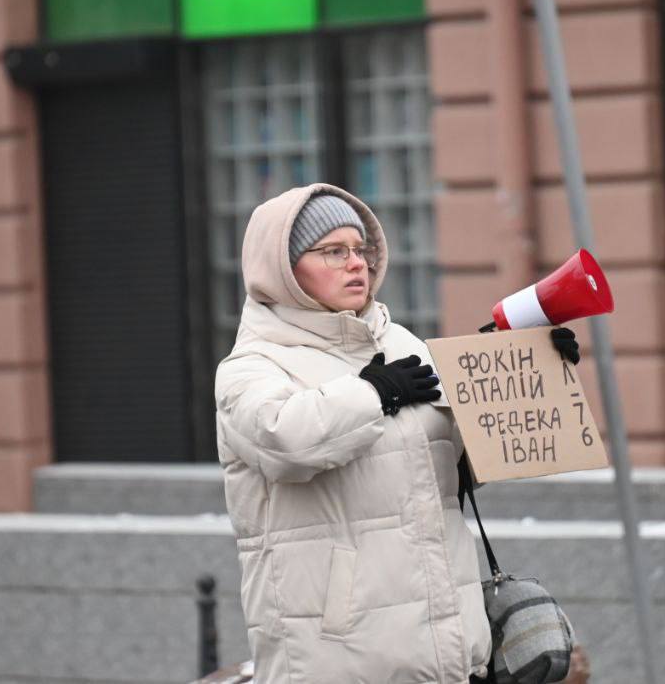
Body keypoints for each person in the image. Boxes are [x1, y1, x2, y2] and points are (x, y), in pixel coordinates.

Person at [214, 183, 580, 683]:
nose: (356, 263)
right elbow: (286, 442)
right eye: (333, 251)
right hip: (337, 659)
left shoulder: (400, 341)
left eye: (361, 249)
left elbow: (455, 468)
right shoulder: (251, 367)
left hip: (444, 650)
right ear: (283, 268)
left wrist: (525, 375)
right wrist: (374, 394)